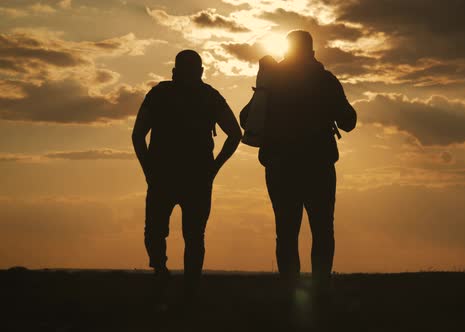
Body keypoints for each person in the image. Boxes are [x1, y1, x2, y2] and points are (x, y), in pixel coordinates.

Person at [239, 31, 357, 292]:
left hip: (280, 166)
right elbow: (348, 122)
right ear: (312, 52)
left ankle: (289, 289)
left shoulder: (272, 80)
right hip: (318, 165)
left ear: (286, 51)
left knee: (286, 231)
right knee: (323, 230)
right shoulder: (325, 81)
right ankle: (321, 288)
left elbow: (246, 118)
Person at [132, 50, 242, 292]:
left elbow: (138, 135)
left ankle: (172, 278)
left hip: (174, 176)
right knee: (187, 236)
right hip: (186, 176)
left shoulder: (163, 94)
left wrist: (148, 169)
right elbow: (235, 134)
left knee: (165, 233)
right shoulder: (204, 96)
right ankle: (177, 279)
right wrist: (214, 168)